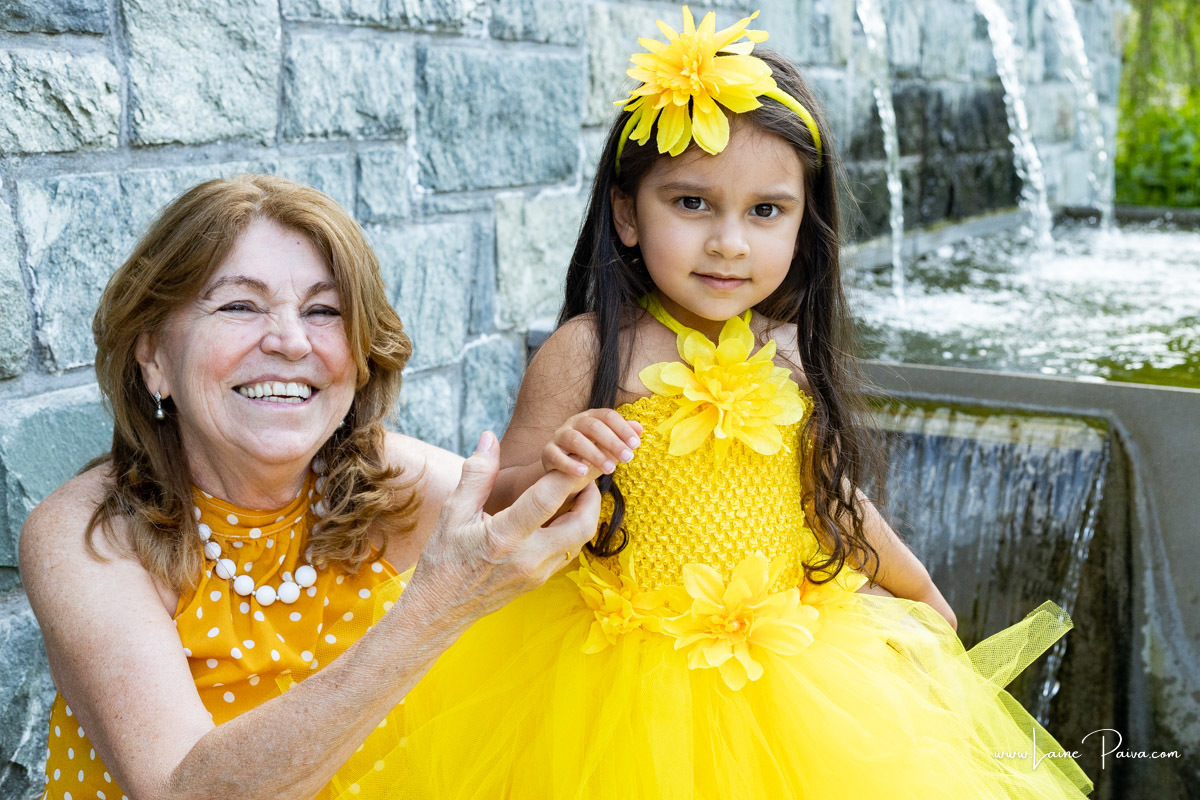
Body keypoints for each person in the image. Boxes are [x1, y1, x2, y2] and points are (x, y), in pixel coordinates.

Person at [305, 7, 1098, 798]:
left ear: (802, 223)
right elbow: (499, 503)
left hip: (791, 669)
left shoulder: (787, 351)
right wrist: (556, 467)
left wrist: (914, 585)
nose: (729, 242)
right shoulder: (588, 349)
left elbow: (821, 497)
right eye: (692, 204)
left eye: (765, 211)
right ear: (626, 212)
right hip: (613, 680)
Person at [18, 174, 603, 800]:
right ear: (154, 355)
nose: (291, 341)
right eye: (240, 306)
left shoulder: (379, 480)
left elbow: (521, 510)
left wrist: (581, 456)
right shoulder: (87, 536)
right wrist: (441, 603)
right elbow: (180, 791)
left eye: (323, 311)